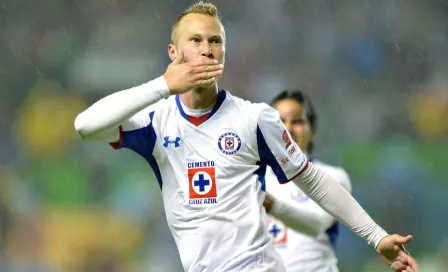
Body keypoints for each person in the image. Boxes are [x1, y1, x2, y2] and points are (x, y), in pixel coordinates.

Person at [74, 2, 419, 272]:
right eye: (195, 41)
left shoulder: (253, 118)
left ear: (223, 54)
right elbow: (85, 126)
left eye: (215, 42)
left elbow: (312, 180)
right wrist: (163, 86)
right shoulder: (155, 121)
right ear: (173, 53)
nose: (207, 49)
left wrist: (377, 238)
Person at [263, 90, 351, 271]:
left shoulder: (332, 177)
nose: (287, 128)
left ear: (313, 132)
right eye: (279, 121)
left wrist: (272, 205)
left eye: (297, 121)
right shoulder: (253, 178)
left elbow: (316, 225)